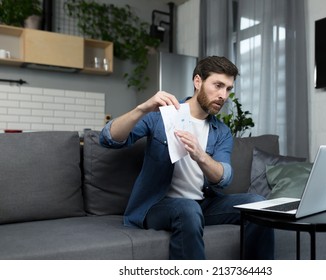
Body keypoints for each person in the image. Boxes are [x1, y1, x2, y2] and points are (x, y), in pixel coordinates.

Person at [100, 56, 274, 260]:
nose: (223, 95)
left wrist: (201, 155)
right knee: (188, 209)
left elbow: (223, 177)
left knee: (258, 204)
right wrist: (143, 108)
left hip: (202, 205)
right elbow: (108, 139)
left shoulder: (221, 131)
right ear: (198, 81)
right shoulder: (161, 115)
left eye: (228, 89)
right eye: (218, 85)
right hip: (158, 205)